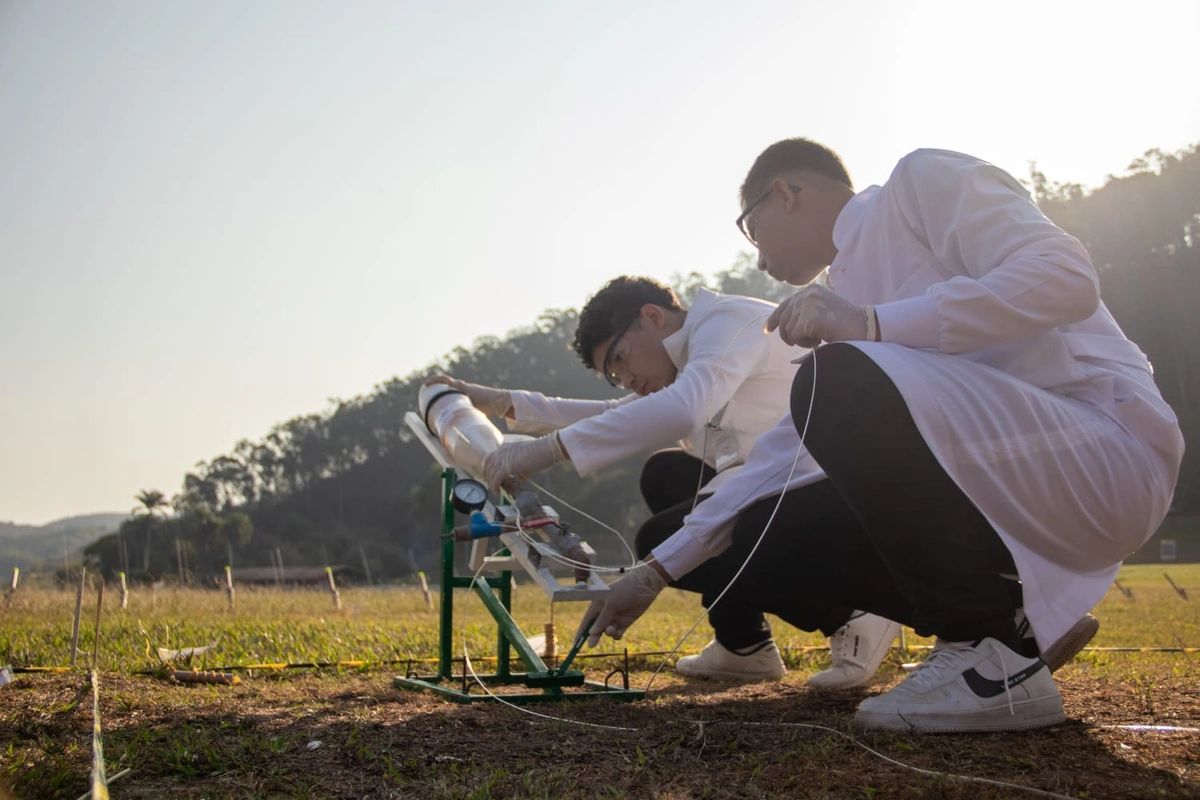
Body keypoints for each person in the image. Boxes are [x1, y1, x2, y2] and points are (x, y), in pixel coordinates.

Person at [578, 140, 1184, 733]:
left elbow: (1065, 279)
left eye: (751, 228)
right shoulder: (842, 295)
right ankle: (1013, 628)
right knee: (765, 526)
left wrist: (870, 325)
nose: (758, 260)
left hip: (1102, 447)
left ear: (785, 194)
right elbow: (781, 455)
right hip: (1008, 480)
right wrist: (654, 571)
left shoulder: (920, 184)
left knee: (836, 376)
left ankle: (987, 649)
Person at [429, 275, 899, 687]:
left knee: (659, 537)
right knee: (666, 473)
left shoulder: (727, 322)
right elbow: (620, 413)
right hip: (767, 480)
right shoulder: (685, 362)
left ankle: (853, 615)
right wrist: (507, 403)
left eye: (620, 359)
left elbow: (681, 410)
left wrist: (549, 450)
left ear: (652, 316)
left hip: (826, 483)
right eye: (613, 374)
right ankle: (745, 647)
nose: (625, 378)